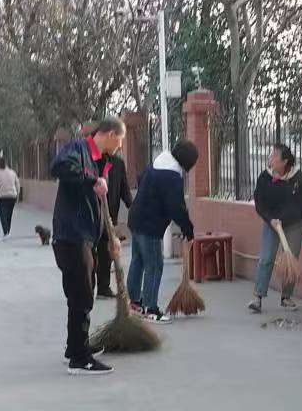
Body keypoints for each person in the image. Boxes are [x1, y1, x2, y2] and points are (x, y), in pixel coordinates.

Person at [50, 117, 125, 375]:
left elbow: (98, 207)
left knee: (81, 294)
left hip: (86, 237)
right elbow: (59, 166)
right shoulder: (78, 150)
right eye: (120, 140)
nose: (120, 146)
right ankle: (80, 360)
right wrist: (91, 180)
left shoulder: (101, 161)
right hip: (71, 236)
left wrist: (110, 239)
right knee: (81, 296)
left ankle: (75, 347)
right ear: (111, 134)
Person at [126, 139, 199, 324]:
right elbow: (177, 208)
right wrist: (188, 231)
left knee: (137, 261)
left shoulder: (155, 165)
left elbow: (140, 178)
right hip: (150, 226)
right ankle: (150, 309)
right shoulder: (172, 176)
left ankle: (134, 302)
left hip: (136, 220)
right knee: (155, 266)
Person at [249, 142, 302, 313]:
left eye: (274, 156)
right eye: (271, 155)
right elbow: (259, 203)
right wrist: (270, 220)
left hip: (294, 223)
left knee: (290, 259)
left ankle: (286, 297)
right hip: (272, 223)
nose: (270, 158)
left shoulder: (299, 178)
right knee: (266, 258)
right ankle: (258, 297)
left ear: (284, 161)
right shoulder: (265, 177)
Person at [94, 146, 134, 299]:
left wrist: (132, 207)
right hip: (92, 214)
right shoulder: (93, 160)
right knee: (90, 253)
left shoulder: (118, 163)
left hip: (110, 215)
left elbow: (124, 189)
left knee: (106, 252)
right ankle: (89, 285)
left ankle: (103, 287)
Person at [0, 156, 21, 239]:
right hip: (12, 197)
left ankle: (6, 232)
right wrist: (17, 195)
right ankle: (8, 231)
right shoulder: (12, 173)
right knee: (9, 215)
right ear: (6, 164)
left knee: (3, 215)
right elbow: (17, 184)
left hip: (1, 198)